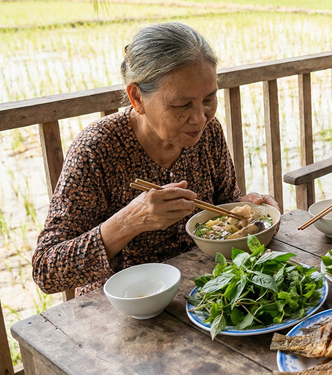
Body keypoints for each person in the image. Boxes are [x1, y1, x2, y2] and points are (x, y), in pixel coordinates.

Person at [32, 22, 279, 296]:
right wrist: (129, 221)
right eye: (182, 105)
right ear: (137, 97)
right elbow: (47, 271)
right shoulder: (97, 148)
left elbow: (222, 207)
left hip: (203, 293)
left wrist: (248, 211)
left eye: (209, 99)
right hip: (121, 310)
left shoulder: (208, 132)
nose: (199, 117)